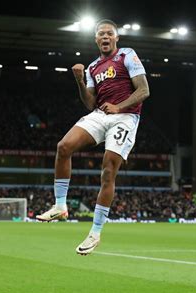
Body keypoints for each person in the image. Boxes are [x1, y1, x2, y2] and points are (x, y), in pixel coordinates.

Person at [36, 19, 150, 255]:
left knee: (108, 169)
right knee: (64, 146)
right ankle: (60, 206)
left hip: (125, 116)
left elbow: (143, 90)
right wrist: (79, 80)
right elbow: (90, 103)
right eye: (101, 34)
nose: (105, 37)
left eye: (110, 33)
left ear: (116, 38)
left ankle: (95, 232)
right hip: (101, 113)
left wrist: (119, 107)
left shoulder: (127, 55)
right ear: (96, 40)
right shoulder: (92, 67)